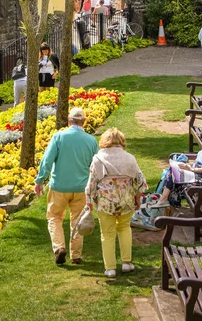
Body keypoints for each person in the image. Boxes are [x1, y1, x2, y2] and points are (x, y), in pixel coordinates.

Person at [34, 107, 98, 265]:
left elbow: (47, 160)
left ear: (69, 120)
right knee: (77, 220)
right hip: (82, 188)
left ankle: (59, 247)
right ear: (83, 121)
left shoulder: (59, 137)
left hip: (59, 186)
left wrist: (40, 180)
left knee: (54, 217)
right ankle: (76, 255)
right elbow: (95, 166)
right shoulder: (91, 141)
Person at [85, 128, 148, 278]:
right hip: (126, 200)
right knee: (125, 228)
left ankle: (110, 268)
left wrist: (89, 202)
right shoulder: (130, 158)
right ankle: (126, 263)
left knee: (107, 234)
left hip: (106, 201)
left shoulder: (98, 159)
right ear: (121, 141)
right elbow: (140, 181)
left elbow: (91, 184)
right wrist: (137, 197)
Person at [151, 124, 202, 209]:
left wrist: (191, 169)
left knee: (173, 174)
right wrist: (189, 167)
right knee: (173, 170)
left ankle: (163, 200)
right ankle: (163, 200)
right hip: (195, 169)